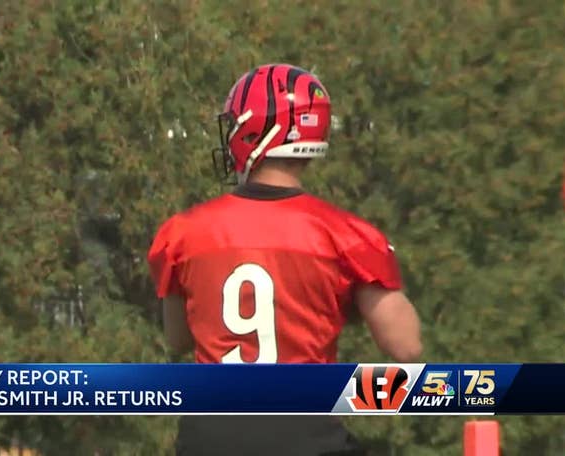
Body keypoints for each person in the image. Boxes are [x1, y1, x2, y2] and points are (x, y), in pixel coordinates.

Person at [147, 63, 422, 456]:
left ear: (254, 130)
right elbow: (406, 347)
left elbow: (177, 338)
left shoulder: (183, 232)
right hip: (304, 430)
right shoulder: (346, 235)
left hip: (210, 434)